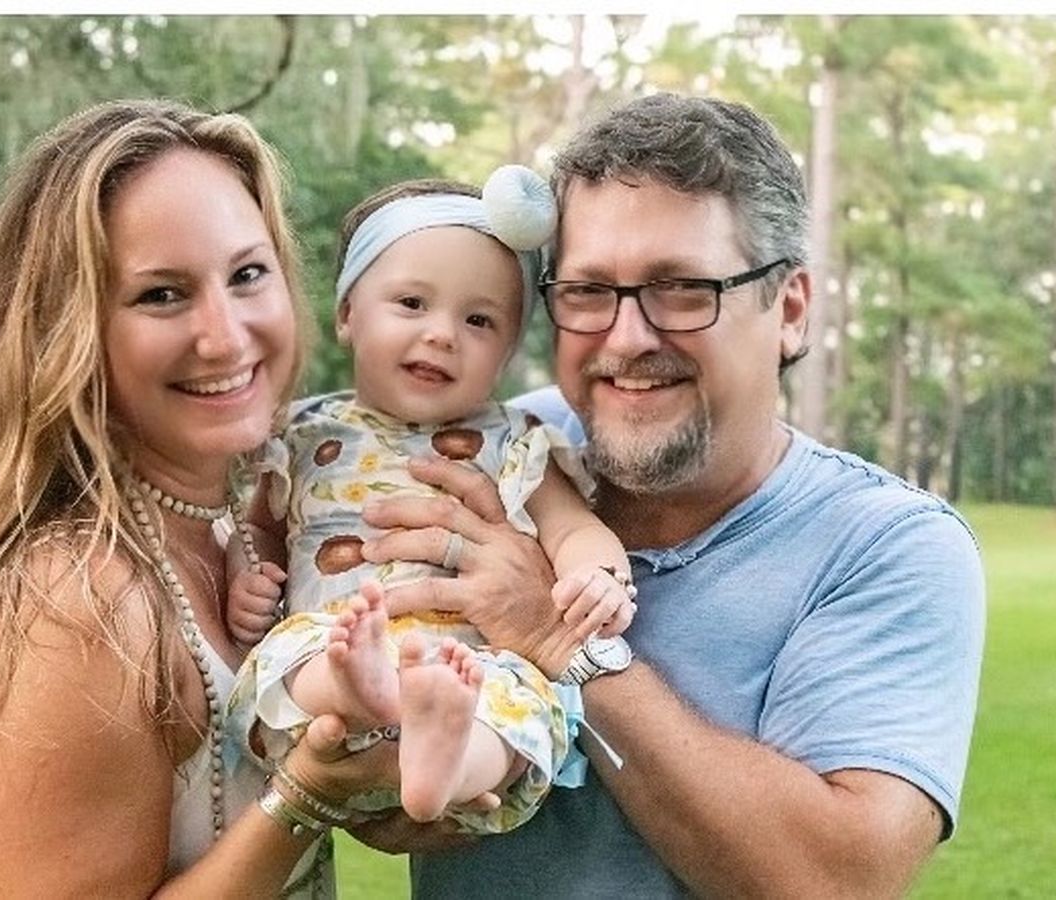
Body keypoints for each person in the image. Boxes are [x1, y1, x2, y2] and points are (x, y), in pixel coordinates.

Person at [352, 92, 986, 896]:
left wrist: (562, 639)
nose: (626, 338)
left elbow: (836, 880)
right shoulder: (502, 449)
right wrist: (363, 772)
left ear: (790, 311)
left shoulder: (888, 547)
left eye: (683, 288)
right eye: (587, 291)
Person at [0, 99, 393, 899]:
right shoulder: (79, 599)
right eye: (162, 295)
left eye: (247, 274)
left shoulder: (239, 533)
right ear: (65, 328)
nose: (226, 336)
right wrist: (308, 792)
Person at [223, 171, 638, 835]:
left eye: (479, 320)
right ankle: (360, 688)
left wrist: (599, 577)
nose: (443, 334)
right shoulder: (301, 435)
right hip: (339, 648)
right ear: (348, 313)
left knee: (520, 704)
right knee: (294, 653)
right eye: (412, 303)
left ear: (507, 352)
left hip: (465, 667)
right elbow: (259, 532)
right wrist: (249, 577)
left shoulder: (513, 442)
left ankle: (448, 759)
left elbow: (573, 529)